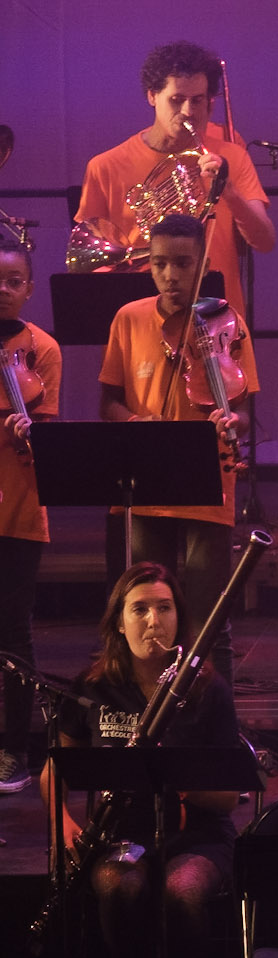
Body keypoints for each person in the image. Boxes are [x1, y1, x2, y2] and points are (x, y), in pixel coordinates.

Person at [43, 563, 243, 958]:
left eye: (164, 607)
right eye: (140, 609)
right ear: (119, 622)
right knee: (117, 885)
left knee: (182, 890)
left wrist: (168, 776)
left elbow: (228, 797)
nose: (153, 620)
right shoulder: (92, 689)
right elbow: (55, 773)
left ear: (179, 618)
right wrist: (63, 829)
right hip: (121, 835)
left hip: (197, 836)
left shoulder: (206, 690)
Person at [99, 213, 256, 684]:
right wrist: (134, 422)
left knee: (208, 624)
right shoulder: (128, 319)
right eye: (160, 263)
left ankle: (218, 736)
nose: (170, 275)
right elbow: (109, 402)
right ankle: (147, 726)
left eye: (183, 264)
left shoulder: (226, 321)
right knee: (144, 619)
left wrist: (233, 419)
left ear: (202, 264)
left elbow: (246, 411)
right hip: (146, 486)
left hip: (209, 482)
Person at [77, 41, 275, 321]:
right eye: (176, 99)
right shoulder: (105, 166)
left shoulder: (233, 156)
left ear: (210, 102)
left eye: (197, 100)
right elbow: (91, 263)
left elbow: (265, 241)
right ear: (152, 96)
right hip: (142, 317)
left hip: (217, 319)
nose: (188, 111)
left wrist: (229, 192)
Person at [0, 235, 58, 795]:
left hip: (18, 509)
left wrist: (30, 436)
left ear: (29, 288)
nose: (3, 291)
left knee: (14, 632)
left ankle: (12, 748)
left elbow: (51, 439)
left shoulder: (43, 348)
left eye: (14, 282)